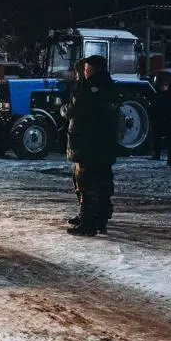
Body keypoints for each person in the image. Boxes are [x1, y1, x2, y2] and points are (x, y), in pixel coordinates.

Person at [62, 54, 120, 236]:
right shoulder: (111, 87)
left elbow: (73, 110)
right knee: (103, 180)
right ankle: (100, 217)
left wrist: (63, 109)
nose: (84, 72)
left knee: (85, 182)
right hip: (106, 144)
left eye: (86, 69)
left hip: (87, 143)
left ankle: (88, 222)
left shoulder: (86, 89)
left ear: (92, 70)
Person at [148, 74, 171, 162]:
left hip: (163, 118)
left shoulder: (165, 96)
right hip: (161, 118)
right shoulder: (162, 96)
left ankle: (168, 156)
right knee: (160, 137)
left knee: (163, 138)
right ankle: (161, 155)